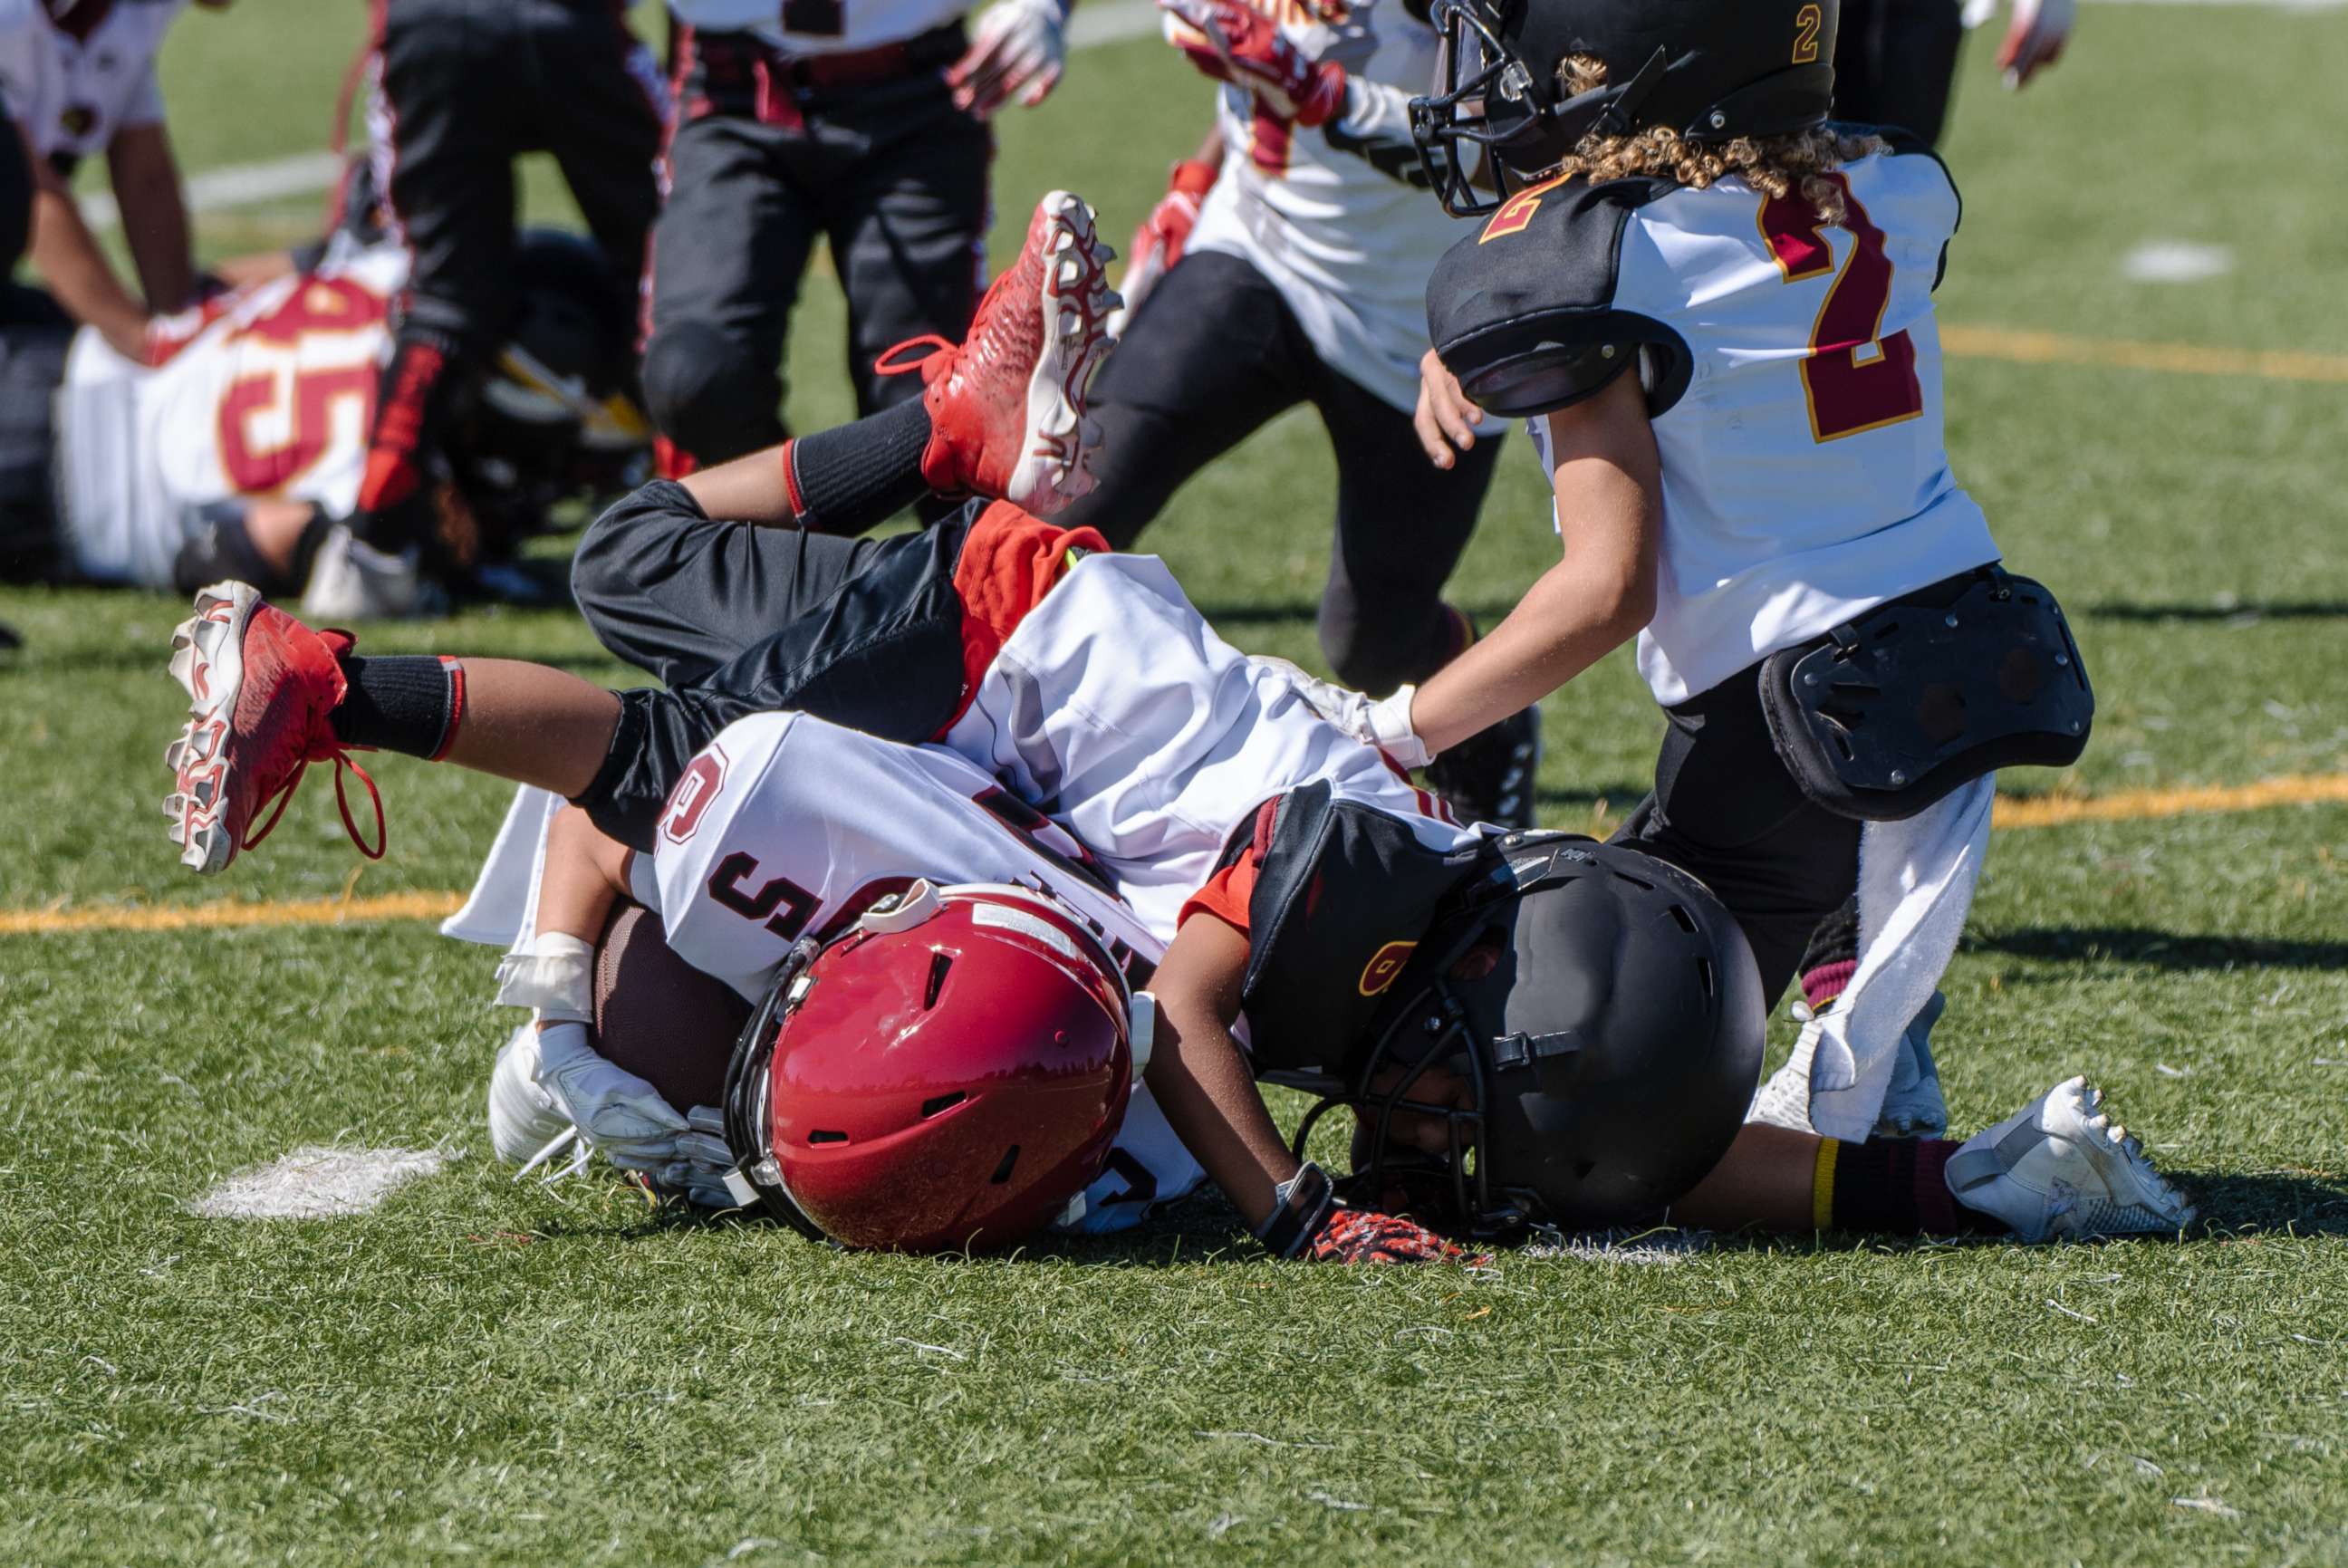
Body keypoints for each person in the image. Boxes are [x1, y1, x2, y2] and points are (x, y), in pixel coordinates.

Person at [156, 199, 2190, 1259]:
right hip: (999, 643)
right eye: (1464, 1124)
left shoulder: (1477, 949)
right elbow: (1184, 1018)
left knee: (692, 725)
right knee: (639, 611)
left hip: (1043, 727)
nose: (1444, 1147)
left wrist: (1934, 1192)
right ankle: (327, 685)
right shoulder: (1354, 874)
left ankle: (958, 441)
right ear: (1477, 1020)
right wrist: (1302, 1218)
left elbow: (1644, 1153)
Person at [1299, 0, 2100, 1143]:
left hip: (1777, 727)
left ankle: (1938, 1171)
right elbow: (1748, 323)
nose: (1500, 68)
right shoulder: (1894, 186)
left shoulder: (1591, 262)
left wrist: (1399, 730)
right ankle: (1881, 1071)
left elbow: (1604, 589)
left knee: (1496, 1112)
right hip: (1951, 662)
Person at [1060, 0, 1535, 828]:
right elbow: (1254, 65)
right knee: (1076, 497)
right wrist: (1197, 182)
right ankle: (986, 756)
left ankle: (1490, 733)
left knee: (1372, 642)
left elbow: (1512, 152)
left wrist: (1325, 93)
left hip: (1415, 321)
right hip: (1258, 247)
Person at [0, 226, 647, 600]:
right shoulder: (371, 471)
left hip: (61, 352)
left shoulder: (388, 272)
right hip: (56, 497)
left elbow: (217, 285)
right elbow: (221, 559)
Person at [640, 0, 1075, 477]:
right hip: (732, 91)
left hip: (915, 86)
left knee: (937, 415)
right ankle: (785, 528)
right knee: (695, 378)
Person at [332, 0, 666, 617]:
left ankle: (372, 548)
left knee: (444, 300)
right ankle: (700, 533)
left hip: (426, 23)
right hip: (567, 22)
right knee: (667, 276)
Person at [0, 0, 218, 361]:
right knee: (51, 387)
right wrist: (145, 345)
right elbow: (36, 191)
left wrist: (177, 322)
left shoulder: (127, 15)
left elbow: (147, 181)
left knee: (80, 350)